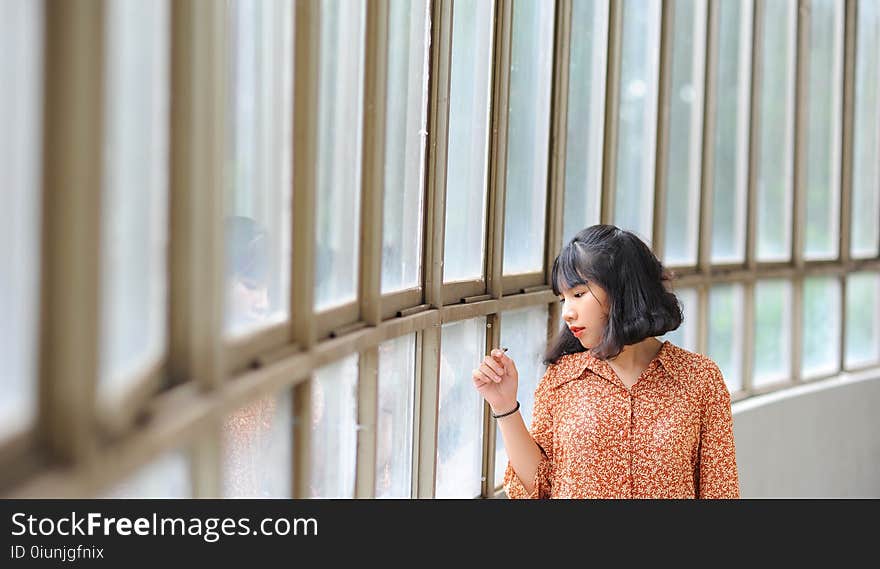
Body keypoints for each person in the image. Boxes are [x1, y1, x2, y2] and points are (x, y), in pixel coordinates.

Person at [472, 224, 740, 499]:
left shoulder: (699, 379)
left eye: (578, 295)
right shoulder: (561, 381)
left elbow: (721, 491)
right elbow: (538, 489)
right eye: (563, 299)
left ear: (621, 291)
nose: (567, 313)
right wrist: (504, 406)